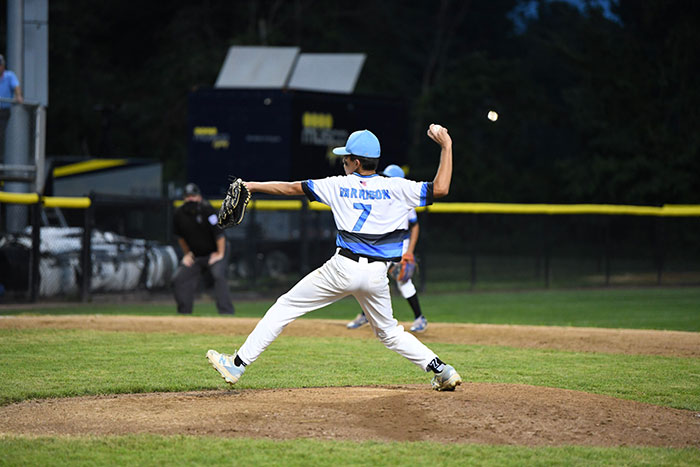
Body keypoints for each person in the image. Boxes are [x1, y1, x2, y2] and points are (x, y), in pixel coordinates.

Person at [207, 124, 462, 391]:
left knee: (285, 307)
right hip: (377, 274)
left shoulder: (338, 185)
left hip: (343, 268)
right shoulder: (398, 187)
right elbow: (441, 188)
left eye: (346, 157)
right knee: (389, 332)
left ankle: (237, 363)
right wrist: (446, 146)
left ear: (357, 162)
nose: (343, 161)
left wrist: (252, 186)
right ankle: (441, 370)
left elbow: (292, 188)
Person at [346, 164, 428, 332]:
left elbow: (415, 226)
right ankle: (366, 315)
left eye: (388, 177)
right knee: (371, 275)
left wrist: (410, 251)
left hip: (400, 243)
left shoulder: (405, 200)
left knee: (402, 282)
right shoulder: (382, 197)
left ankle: (420, 318)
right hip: (384, 244)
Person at [172, 182, 234, 315]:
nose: (190, 199)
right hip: (197, 255)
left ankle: (226, 313)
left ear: (199, 197)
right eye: (187, 196)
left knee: (218, 275)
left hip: (215, 252)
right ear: (184, 198)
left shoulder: (207, 210)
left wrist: (220, 254)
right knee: (179, 279)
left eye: (193, 196)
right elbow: (180, 237)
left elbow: (220, 234)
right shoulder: (179, 214)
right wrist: (187, 254)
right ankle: (184, 314)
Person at [0, 54, 24, 161]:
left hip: (4, 110)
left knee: (1, 134)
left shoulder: (9, 76)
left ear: (3, 66)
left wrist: (18, 95)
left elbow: (16, 87)